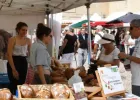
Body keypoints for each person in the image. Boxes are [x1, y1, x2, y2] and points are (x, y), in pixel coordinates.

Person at [7, 22, 31, 94]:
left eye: (26, 30)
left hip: (23, 61)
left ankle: (20, 96)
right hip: (13, 61)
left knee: (22, 82)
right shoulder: (12, 39)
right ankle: (12, 96)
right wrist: (13, 69)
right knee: (13, 82)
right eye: (23, 30)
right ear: (18, 30)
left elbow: (31, 54)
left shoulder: (28, 40)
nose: (25, 32)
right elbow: (9, 55)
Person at [119, 19, 140, 96]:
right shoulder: (138, 41)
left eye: (131, 28)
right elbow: (135, 59)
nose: (129, 31)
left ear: (138, 28)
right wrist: (124, 60)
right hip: (136, 79)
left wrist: (127, 56)